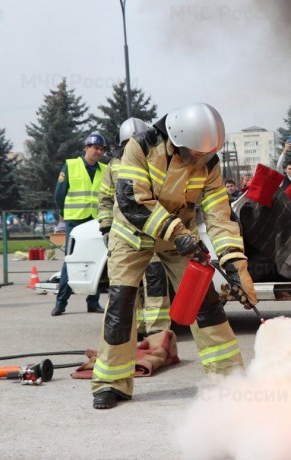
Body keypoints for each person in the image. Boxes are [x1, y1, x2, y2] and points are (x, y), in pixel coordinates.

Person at [91, 102, 257, 409]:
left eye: (206, 154)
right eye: (195, 153)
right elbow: (133, 202)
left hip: (177, 239)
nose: (201, 159)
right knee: (121, 307)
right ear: (176, 139)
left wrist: (236, 265)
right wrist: (179, 233)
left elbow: (220, 215)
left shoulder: (208, 162)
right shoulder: (139, 148)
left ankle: (229, 380)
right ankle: (111, 382)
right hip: (133, 237)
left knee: (205, 304)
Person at [98, 117, 171, 336]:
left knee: (157, 285)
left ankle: (158, 333)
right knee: (127, 288)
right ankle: (134, 330)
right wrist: (106, 227)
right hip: (126, 235)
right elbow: (105, 199)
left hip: (153, 232)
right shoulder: (114, 166)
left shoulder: (155, 160)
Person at [51, 132, 108, 316]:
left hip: (96, 221)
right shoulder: (71, 165)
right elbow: (59, 195)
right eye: (95, 148)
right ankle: (61, 303)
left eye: (101, 149)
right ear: (86, 148)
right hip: (75, 221)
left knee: (97, 259)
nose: (98, 152)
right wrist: (65, 214)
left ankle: (93, 302)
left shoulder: (105, 169)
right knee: (71, 261)